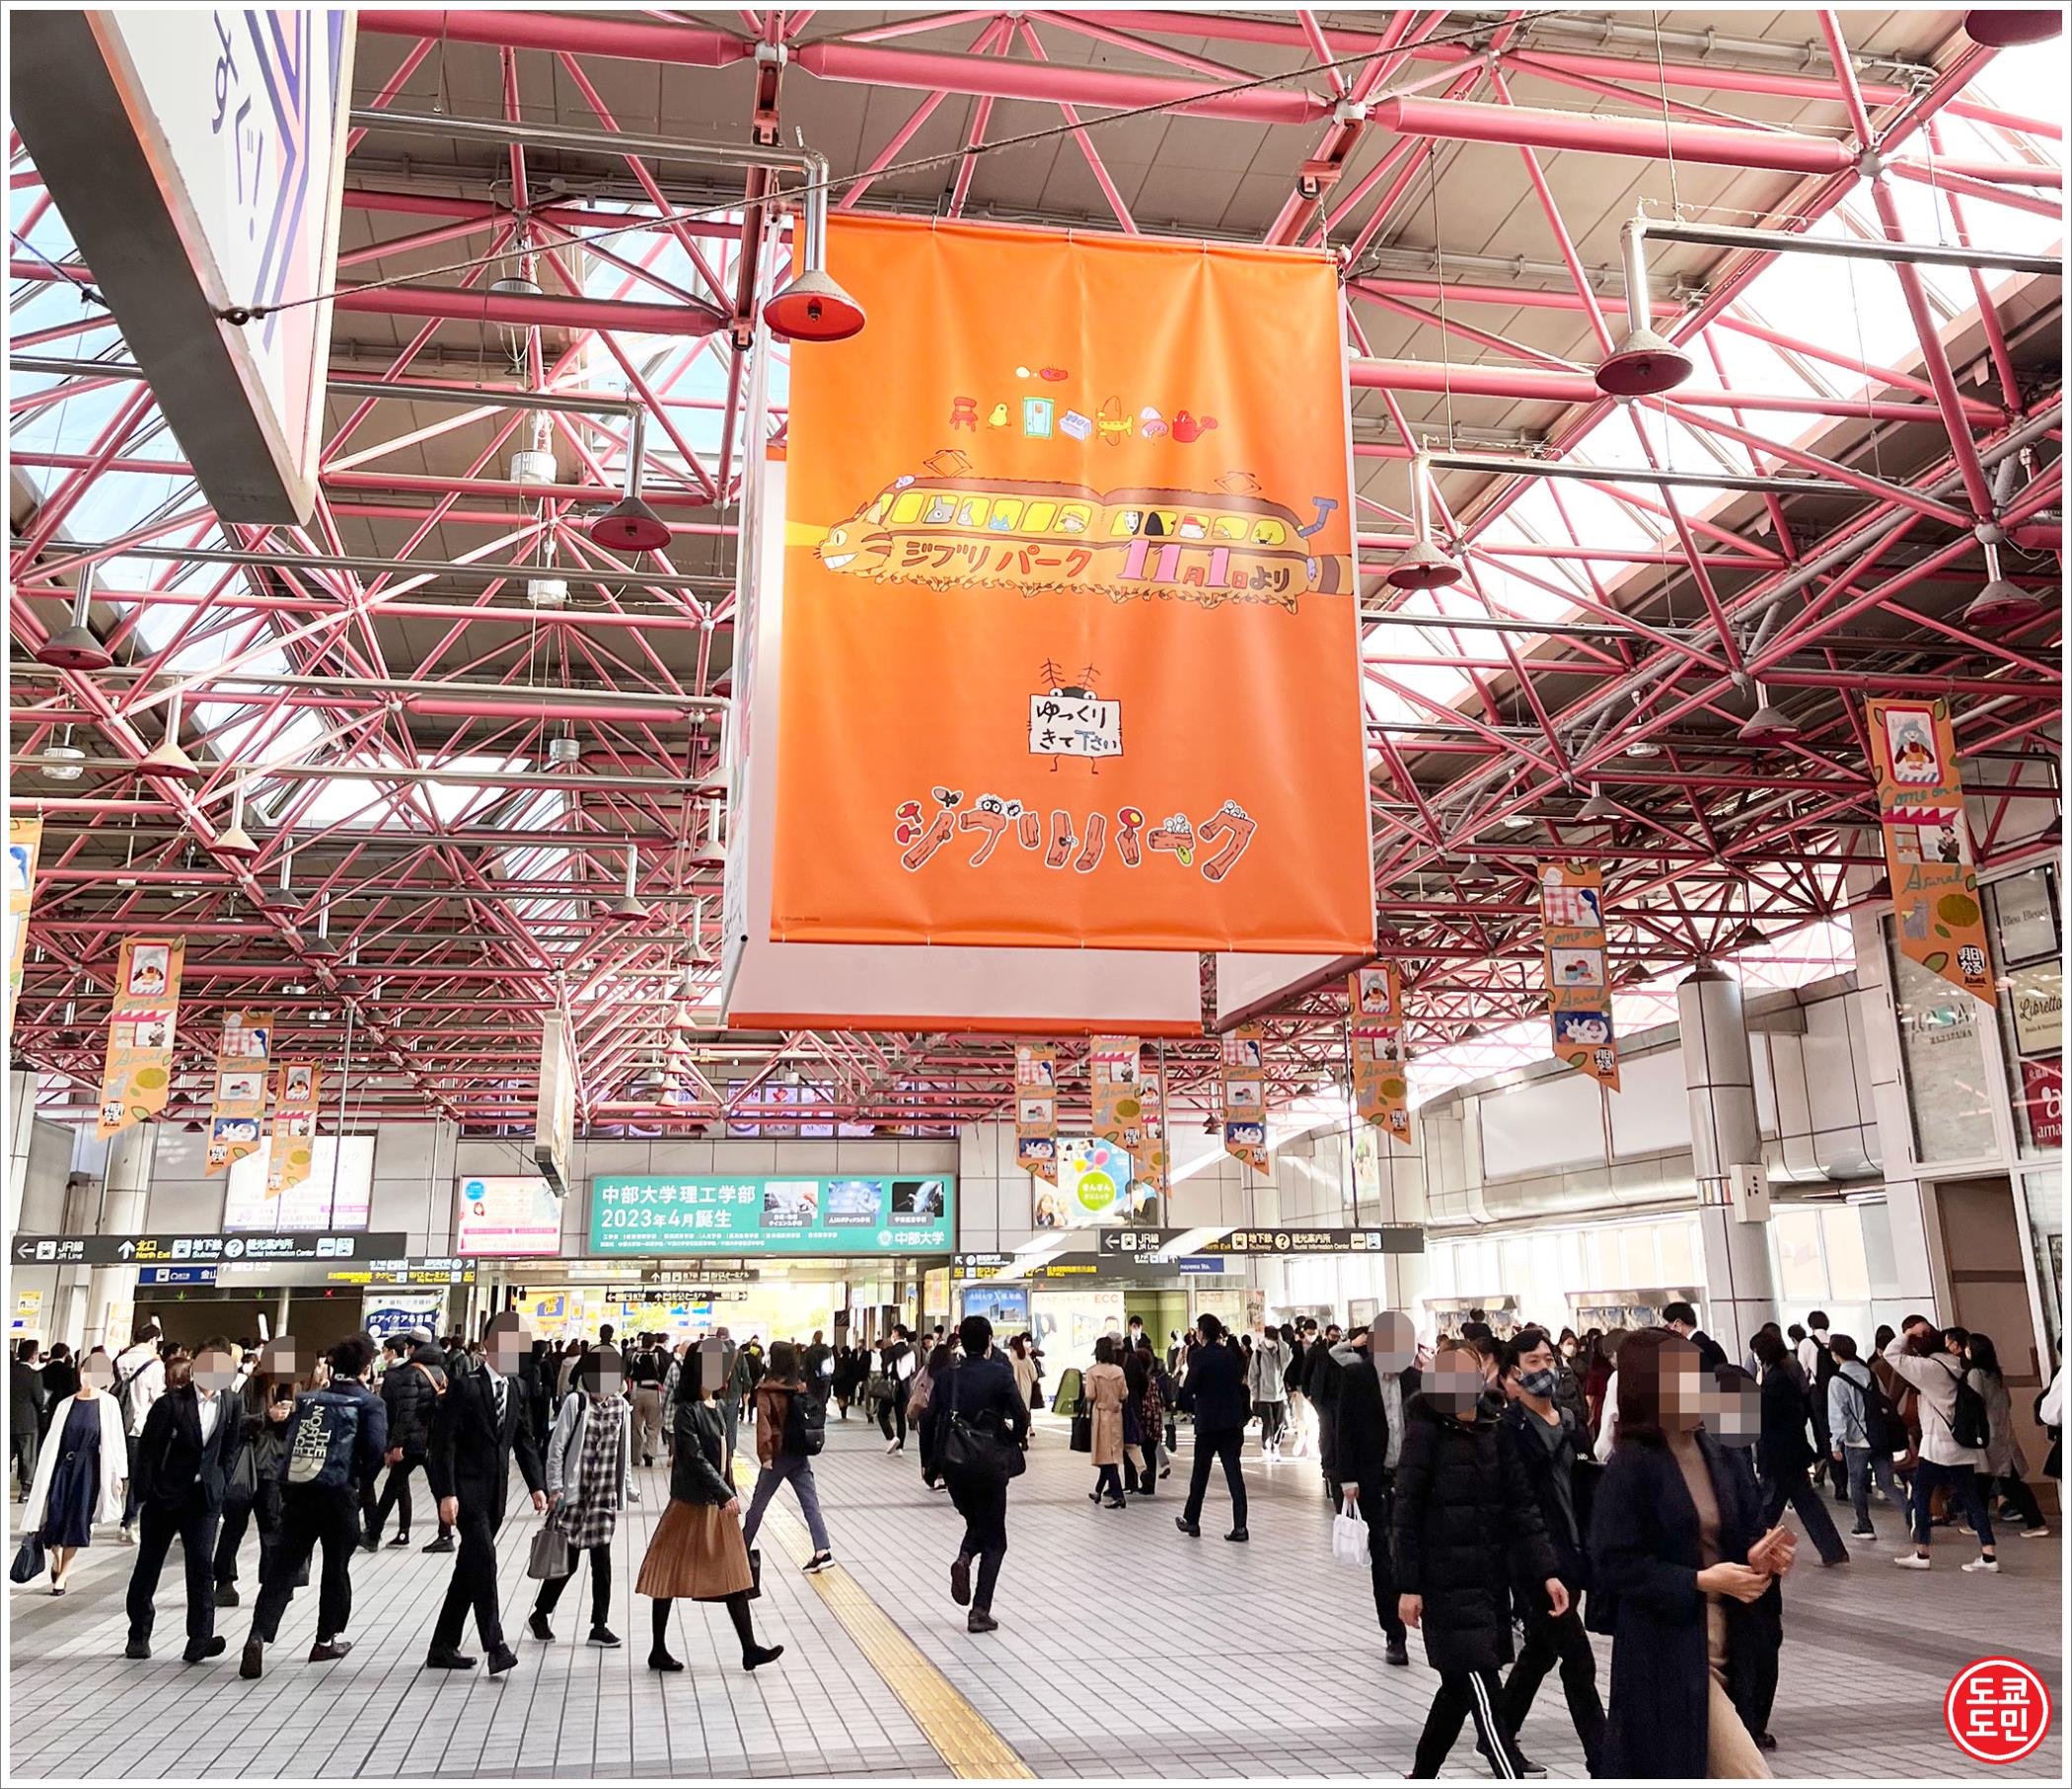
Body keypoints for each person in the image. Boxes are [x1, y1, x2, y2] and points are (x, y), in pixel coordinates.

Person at [1590, 1327, 1792, 1778]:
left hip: (1731, 1636)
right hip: (1668, 1647)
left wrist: (1760, 1555)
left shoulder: (1718, 1450)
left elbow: (1739, 1532)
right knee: (1748, 1774)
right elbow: (1613, 1564)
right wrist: (1699, 1581)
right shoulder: (1631, 1465)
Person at [1393, 1341, 1566, 1780]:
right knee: (1483, 1687)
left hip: (1488, 1584)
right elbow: (1406, 1513)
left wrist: (1546, 1571)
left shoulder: (1494, 1429)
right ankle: (1510, 1776)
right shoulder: (1425, 1432)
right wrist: (1408, 1586)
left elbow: (1521, 1507)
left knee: (1458, 1688)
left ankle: (1421, 1776)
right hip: (1444, 1586)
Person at [240, 1333, 389, 1677]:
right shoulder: (368, 1404)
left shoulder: (308, 1400)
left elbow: (290, 1440)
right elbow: (374, 1451)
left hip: (301, 1494)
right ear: (366, 1367)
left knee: (282, 1567)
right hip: (339, 1494)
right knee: (336, 1567)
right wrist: (359, 1482)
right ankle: (324, 1640)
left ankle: (258, 1634)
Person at [637, 1333, 781, 1674]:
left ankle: (749, 1649)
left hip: (717, 1505)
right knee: (667, 1573)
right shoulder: (688, 1411)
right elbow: (695, 1458)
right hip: (690, 1503)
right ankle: (658, 1649)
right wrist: (724, 1493)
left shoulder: (716, 1406)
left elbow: (722, 1457)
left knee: (735, 1573)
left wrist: (729, 1491)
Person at [1498, 1328, 1605, 1775]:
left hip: (1573, 1551)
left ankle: (1497, 1733)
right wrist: (1541, 1565)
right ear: (1514, 1373)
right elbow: (1517, 1504)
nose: (1545, 1368)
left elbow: (1585, 1484)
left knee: (1541, 1651)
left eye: (1548, 1360)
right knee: (1578, 1658)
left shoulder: (1571, 1421)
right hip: (1535, 1560)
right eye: (1534, 1362)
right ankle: (1603, 1758)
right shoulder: (1508, 1430)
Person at [423, 1312, 548, 1675]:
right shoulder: (465, 1386)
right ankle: (495, 1645)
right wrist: (446, 1493)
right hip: (466, 1493)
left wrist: (537, 1484)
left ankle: (442, 1646)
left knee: (470, 1568)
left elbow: (523, 1440)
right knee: (486, 1563)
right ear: (488, 1345)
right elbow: (443, 1444)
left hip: (496, 1495)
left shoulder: (516, 1388)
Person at [124, 1336, 243, 1662]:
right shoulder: (171, 1404)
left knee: (202, 1566)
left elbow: (229, 1449)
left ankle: (200, 1638)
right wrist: (148, 1493)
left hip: (204, 1499)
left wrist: (220, 1484)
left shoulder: (231, 1403)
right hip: (165, 1497)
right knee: (149, 1565)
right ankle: (138, 1633)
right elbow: (148, 1453)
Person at [531, 1346, 633, 1648]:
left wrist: (627, 1487)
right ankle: (540, 1614)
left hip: (603, 1497)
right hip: (575, 1497)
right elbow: (557, 1448)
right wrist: (555, 1488)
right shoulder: (576, 1403)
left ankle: (599, 1626)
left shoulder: (621, 1407)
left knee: (602, 1564)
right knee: (569, 1561)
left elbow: (623, 1453)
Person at [1334, 1313, 1420, 1666]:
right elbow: (1344, 1430)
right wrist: (1347, 1479)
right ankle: (1394, 1634)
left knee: (1412, 1553)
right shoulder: (1357, 1377)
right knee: (1383, 1559)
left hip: (1411, 1481)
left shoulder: (1415, 1379)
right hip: (1374, 1481)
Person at [1884, 1317, 1997, 1572]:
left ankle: (1922, 1553)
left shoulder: (1928, 1369)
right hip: (1961, 1445)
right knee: (1973, 1500)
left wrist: (1909, 1333)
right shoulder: (1956, 1364)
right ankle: (1989, 1555)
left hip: (1938, 1446)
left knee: (1921, 1496)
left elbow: (1892, 1354)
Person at [939, 1314, 1029, 1634]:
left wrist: (931, 1465)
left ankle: (964, 1558)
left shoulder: (948, 1376)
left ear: (962, 1341)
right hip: (990, 1464)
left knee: (977, 1523)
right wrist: (1011, 1438)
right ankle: (979, 1610)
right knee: (995, 1540)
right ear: (990, 1340)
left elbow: (931, 1420)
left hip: (955, 1465)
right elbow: (1021, 1416)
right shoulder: (999, 1373)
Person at [19, 1346, 127, 1595]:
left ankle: (63, 1575)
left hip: (89, 1470)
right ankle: (57, 1558)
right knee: (54, 1518)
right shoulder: (66, 1404)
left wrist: (118, 1475)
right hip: (61, 1468)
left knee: (78, 1522)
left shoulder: (108, 1404)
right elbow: (52, 1441)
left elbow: (116, 1441)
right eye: (87, 1371)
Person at [1747, 1329, 1848, 1567]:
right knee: (1807, 1504)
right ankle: (1833, 1550)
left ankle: (1752, 1552)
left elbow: (1764, 1418)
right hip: (1793, 1452)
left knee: (1767, 1507)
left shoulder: (1773, 1381)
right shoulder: (1786, 1375)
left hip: (1778, 1456)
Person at [740, 1340, 836, 1573]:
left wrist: (765, 1455)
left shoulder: (767, 1390)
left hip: (777, 1455)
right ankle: (822, 1550)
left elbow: (764, 1426)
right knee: (810, 1503)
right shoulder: (800, 1387)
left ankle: (741, 1550)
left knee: (758, 1505)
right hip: (799, 1453)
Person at [212, 1360, 291, 1609]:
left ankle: (273, 1584)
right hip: (247, 1466)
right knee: (234, 1525)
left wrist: (290, 1417)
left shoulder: (294, 1389)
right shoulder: (252, 1386)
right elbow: (237, 1422)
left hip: (275, 1468)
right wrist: (266, 1417)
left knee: (272, 1527)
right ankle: (224, 1581)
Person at [367, 1332, 449, 1552]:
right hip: (433, 1440)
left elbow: (406, 1412)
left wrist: (396, 1444)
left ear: (412, 1348)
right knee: (437, 1488)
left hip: (413, 1441)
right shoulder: (440, 1371)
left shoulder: (412, 1373)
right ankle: (445, 1534)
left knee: (392, 1487)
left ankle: (373, 1535)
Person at [1965, 1332, 2048, 1537]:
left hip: (1989, 1437)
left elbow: (1975, 1404)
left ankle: (2036, 1522)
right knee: (1990, 1481)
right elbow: (2007, 1402)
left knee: (2002, 1482)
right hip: (2003, 1432)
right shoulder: (1996, 1374)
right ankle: (1977, 1523)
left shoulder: (1975, 1374)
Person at [1175, 1313, 1249, 1542]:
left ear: (1201, 1333)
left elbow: (1190, 1387)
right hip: (1231, 1423)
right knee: (1234, 1474)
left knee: (1200, 1474)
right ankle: (1240, 1526)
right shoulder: (1230, 1355)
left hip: (1208, 1423)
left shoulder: (1198, 1356)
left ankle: (1192, 1520)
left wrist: (1185, 1398)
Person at [1822, 1334, 1901, 1542]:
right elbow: (1884, 1400)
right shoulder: (1870, 1373)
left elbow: (1837, 1414)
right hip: (1878, 1436)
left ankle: (1864, 1525)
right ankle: (1914, 1514)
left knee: (1856, 1484)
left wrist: (1835, 1443)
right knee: (1887, 1484)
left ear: (1835, 1355)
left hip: (1856, 1440)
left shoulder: (1837, 1381)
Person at [110, 1318, 166, 1544]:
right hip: (140, 1426)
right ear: (152, 1340)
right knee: (139, 1477)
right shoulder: (154, 1365)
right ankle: (129, 1521)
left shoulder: (120, 1359)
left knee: (112, 1472)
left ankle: (91, 1519)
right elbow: (157, 1397)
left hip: (116, 1423)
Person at [1083, 1335, 1129, 1509]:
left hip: (1101, 1415)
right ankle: (1098, 1490)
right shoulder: (1119, 1371)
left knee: (1106, 1457)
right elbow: (1124, 1394)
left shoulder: (1093, 1372)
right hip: (1116, 1415)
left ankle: (1118, 1495)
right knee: (1110, 1454)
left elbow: (1090, 1395)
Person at [1247, 1318, 1290, 1461]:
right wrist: (1255, 1394)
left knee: (1280, 1423)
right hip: (1263, 1395)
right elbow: (1252, 1375)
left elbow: (1287, 1359)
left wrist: (1280, 1341)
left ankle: (1275, 1446)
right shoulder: (1258, 1353)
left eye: (1274, 1338)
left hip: (1279, 1394)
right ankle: (1266, 1447)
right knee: (1268, 1423)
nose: (1272, 1341)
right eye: (1270, 1338)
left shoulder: (1280, 1351)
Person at [10, 1337, 47, 1499]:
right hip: (27, 1422)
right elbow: (39, 1399)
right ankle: (25, 1490)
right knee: (27, 1457)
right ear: (33, 1356)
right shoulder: (34, 1375)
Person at [627, 1334, 668, 1468]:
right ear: (653, 1344)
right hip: (653, 1392)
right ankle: (650, 1452)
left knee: (636, 1426)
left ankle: (636, 1457)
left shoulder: (634, 1356)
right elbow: (663, 1374)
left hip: (636, 1392)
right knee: (653, 1425)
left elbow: (628, 1373)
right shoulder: (656, 1357)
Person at [1663, 1302, 1728, 1374]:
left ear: (1678, 1324)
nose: (1666, 1333)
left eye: (1667, 1328)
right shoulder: (1709, 1343)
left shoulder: (1693, 1348)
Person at [877, 1329, 913, 1455]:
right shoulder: (910, 1351)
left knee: (882, 1414)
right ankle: (900, 1448)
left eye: (893, 1333)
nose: (892, 1335)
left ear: (897, 1334)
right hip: (905, 1388)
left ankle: (892, 1437)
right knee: (901, 1418)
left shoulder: (891, 1351)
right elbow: (913, 1369)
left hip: (891, 1388)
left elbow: (887, 1370)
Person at [37, 1342, 79, 1435]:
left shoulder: (42, 1371)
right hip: (61, 1408)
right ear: (65, 1354)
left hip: (44, 1409)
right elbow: (71, 1391)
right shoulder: (68, 1372)